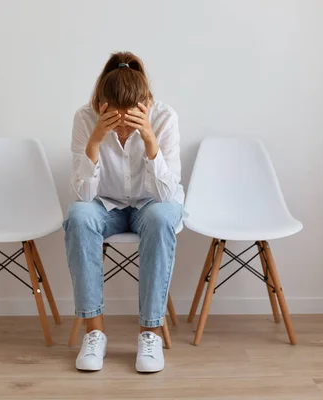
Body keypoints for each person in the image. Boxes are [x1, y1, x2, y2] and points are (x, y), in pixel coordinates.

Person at [64, 51, 184, 373]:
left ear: (143, 102)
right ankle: (94, 334)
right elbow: (83, 194)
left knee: (160, 218)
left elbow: (167, 195)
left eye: (128, 112)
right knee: (78, 216)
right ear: (102, 102)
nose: (121, 120)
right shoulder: (85, 118)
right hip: (107, 204)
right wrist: (95, 141)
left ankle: (150, 334)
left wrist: (148, 138)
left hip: (151, 203)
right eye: (113, 111)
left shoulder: (164, 117)